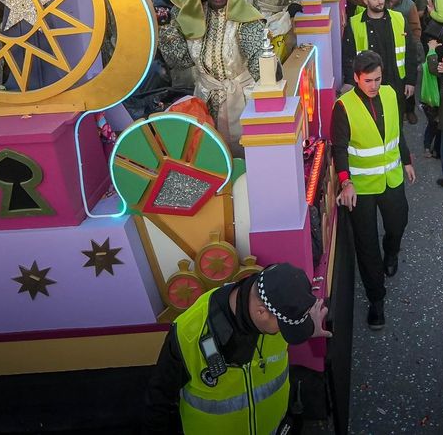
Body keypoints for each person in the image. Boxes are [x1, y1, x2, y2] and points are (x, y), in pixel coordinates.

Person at [141, 263, 327, 434]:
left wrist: (308, 329)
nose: (284, 334)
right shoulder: (188, 333)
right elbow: (159, 401)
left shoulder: (275, 303)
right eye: (285, 328)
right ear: (261, 311)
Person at [332, 51, 415, 329]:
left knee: (398, 223)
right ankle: (376, 300)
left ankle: (391, 252)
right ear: (356, 78)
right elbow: (339, 148)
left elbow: (397, 132)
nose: (374, 85)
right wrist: (346, 182)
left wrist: (406, 160)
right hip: (362, 187)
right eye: (368, 80)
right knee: (366, 246)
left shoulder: (391, 95)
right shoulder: (343, 107)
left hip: (392, 178)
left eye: (378, 79)